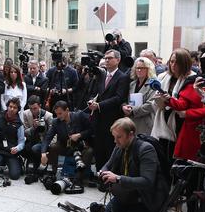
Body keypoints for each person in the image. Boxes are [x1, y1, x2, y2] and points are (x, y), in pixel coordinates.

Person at [99, 118, 168, 212]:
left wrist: (118, 178)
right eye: (114, 137)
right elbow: (108, 164)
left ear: (130, 134)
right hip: (126, 194)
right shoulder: (119, 146)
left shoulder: (146, 149)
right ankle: (128, 211)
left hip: (144, 198)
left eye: (119, 137)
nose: (115, 141)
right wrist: (103, 172)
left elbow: (147, 181)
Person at [88, 49, 130, 181]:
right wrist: (92, 100)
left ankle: (109, 178)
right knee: (99, 149)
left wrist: (100, 105)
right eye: (105, 58)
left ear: (118, 60)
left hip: (112, 119)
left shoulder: (122, 77)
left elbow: (119, 98)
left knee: (110, 149)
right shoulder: (101, 75)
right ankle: (101, 176)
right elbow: (95, 92)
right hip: (98, 119)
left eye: (110, 58)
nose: (106, 60)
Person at [40, 101, 93, 177]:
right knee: (53, 147)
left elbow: (91, 130)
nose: (58, 116)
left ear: (67, 110)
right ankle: (52, 173)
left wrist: (79, 135)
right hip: (65, 146)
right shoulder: (56, 122)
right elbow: (47, 138)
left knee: (89, 151)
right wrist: (43, 153)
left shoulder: (79, 115)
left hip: (81, 145)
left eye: (60, 113)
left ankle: (79, 176)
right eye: (56, 114)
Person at [0, 97, 25, 180]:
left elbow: (22, 142)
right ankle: (1, 165)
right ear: (7, 106)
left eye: (14, 108)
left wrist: (17, 148)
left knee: (15, 176)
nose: (11, 109)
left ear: (17, 110)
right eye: (10, 106)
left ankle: (15, 163)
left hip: (11, 153)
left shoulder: (19, 124)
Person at [122, 57, 158, 135]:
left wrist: (132, 111)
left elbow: (150, 105)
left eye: (142, 68)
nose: (139, 70)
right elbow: (126, 100)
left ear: (148, 69)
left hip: (145, 123)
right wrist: (124, 107)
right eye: (137, 68)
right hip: (131, 122)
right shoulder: (132, 84)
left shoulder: (153, 84)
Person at [21, 95, 53, 170]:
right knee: (22, 148)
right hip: (31, 139)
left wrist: (49, 145)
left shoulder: (48, 116)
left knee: (35, 148)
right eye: (31, 108)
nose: (33, 111)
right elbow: (25, 132)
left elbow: (53, 133)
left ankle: (41, 163)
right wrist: (33, 127)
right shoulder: (26, 113)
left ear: (40, 106)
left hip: (44, 141)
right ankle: (31, 163)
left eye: (35, 108)